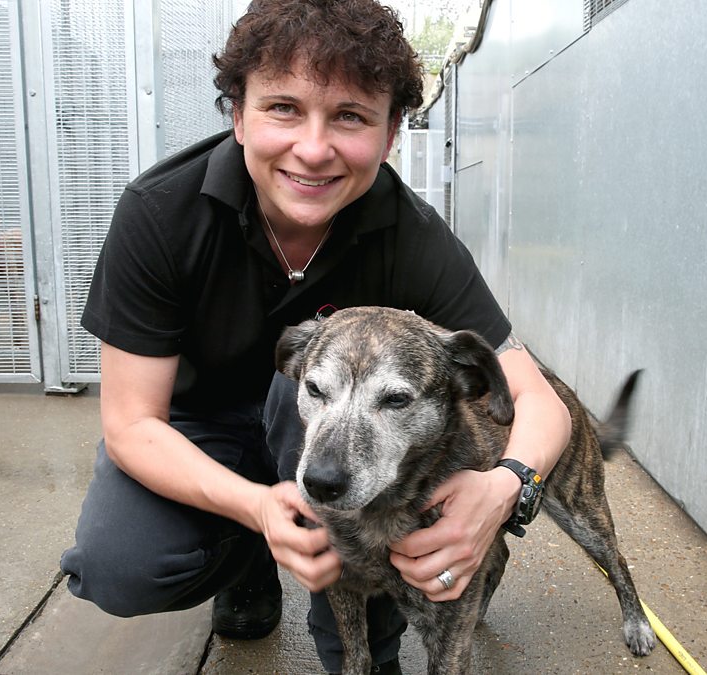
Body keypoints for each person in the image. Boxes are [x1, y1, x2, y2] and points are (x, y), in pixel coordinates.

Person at [59, 0, 572, 672]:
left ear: (391, 134)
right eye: (283, 108)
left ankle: (365, 649)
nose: (312, 148)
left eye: (350, 116)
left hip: (316, 430)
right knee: (120, 564)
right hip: (200, 427)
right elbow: (130, 423)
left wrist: (502, 489)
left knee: (321, 418)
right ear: (238, 115)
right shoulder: (160, 215)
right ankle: (249, 560)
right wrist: (256, 509)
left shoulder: (413, 237)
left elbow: (541, 402)